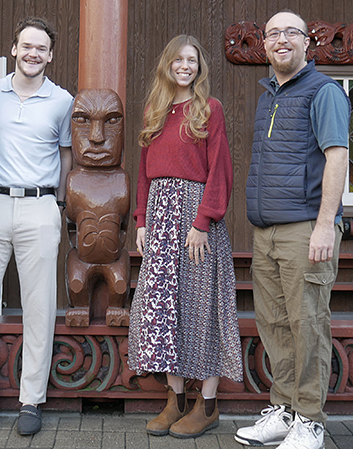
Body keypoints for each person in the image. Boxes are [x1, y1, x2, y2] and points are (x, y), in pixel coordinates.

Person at [234, 10, 349, 449]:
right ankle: (284, 410)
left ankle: (311, 421)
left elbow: (337, 157)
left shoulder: (324, 92)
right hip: (268, 233)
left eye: (290, 33)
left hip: (306, 229)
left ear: (307, 43)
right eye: (273, 33)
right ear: (264, 44)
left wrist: (325, 225)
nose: (281, 39)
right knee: (276, 324)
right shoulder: (270, 95)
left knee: (308, 324)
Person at [128, 35, 243, 439]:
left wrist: (202, 222)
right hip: (159, 219)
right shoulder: (155, 112)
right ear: (167, 64)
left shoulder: (209, 109)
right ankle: (175, 399)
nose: (185, 65)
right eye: (178, 58)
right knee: (166, 308)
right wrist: (142, 221)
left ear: (199, 67)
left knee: (201, 306)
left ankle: (207, 404)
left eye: (191, 60)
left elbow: (221, 171)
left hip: (196, 221)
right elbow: (144, 174)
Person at [0, 17, 74, 436]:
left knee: (40, 306)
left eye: (41, 48)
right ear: (14, 49)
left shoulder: (63, 101)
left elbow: (66, 156)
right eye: (26, 46)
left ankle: (31, 400)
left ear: (50, 55)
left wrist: (58, 202)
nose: (32, 54)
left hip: (40, 205)